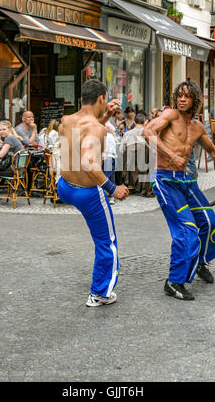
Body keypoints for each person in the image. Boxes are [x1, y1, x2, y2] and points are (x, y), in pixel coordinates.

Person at [143, 80, 215, 301]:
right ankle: (173, 281)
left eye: (187, 96)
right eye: (179, 95)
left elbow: (212, 150)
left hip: (186, 181)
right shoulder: (170, 117)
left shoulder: (197, 127)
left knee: (210, 222)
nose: (182, 99)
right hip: (165, 180)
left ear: (195, 99)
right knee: (187, 230)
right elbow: (147, 132)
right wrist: (172, 155)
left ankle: (200, 262)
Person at [57, 79, 129, 307]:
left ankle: (100, 290)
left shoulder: (67, 120)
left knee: (103, 240)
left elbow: (83, 133)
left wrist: (105, 116)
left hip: (64, 187)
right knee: (107, 242)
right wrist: (113, 189)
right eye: (105, 99)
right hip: (87, 193)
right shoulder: (96, 129)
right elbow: (89, 162)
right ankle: (100, 293)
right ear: (100, 98)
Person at [120, 113, 155, 197]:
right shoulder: (148, 133)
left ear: (134, 123)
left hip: (130, 158)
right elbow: (153, 149)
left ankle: (131, 185)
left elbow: (121, 149)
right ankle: (145, 189)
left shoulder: (128, 133)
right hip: (145, 156)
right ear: (144, 122)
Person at [102, 121, 117, 205]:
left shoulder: (110, 136)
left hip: (109, 157)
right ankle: (103, 192)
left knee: (108, 164)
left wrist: (105, 156)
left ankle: (111, 195)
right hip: (101, 158)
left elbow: (111, 150)